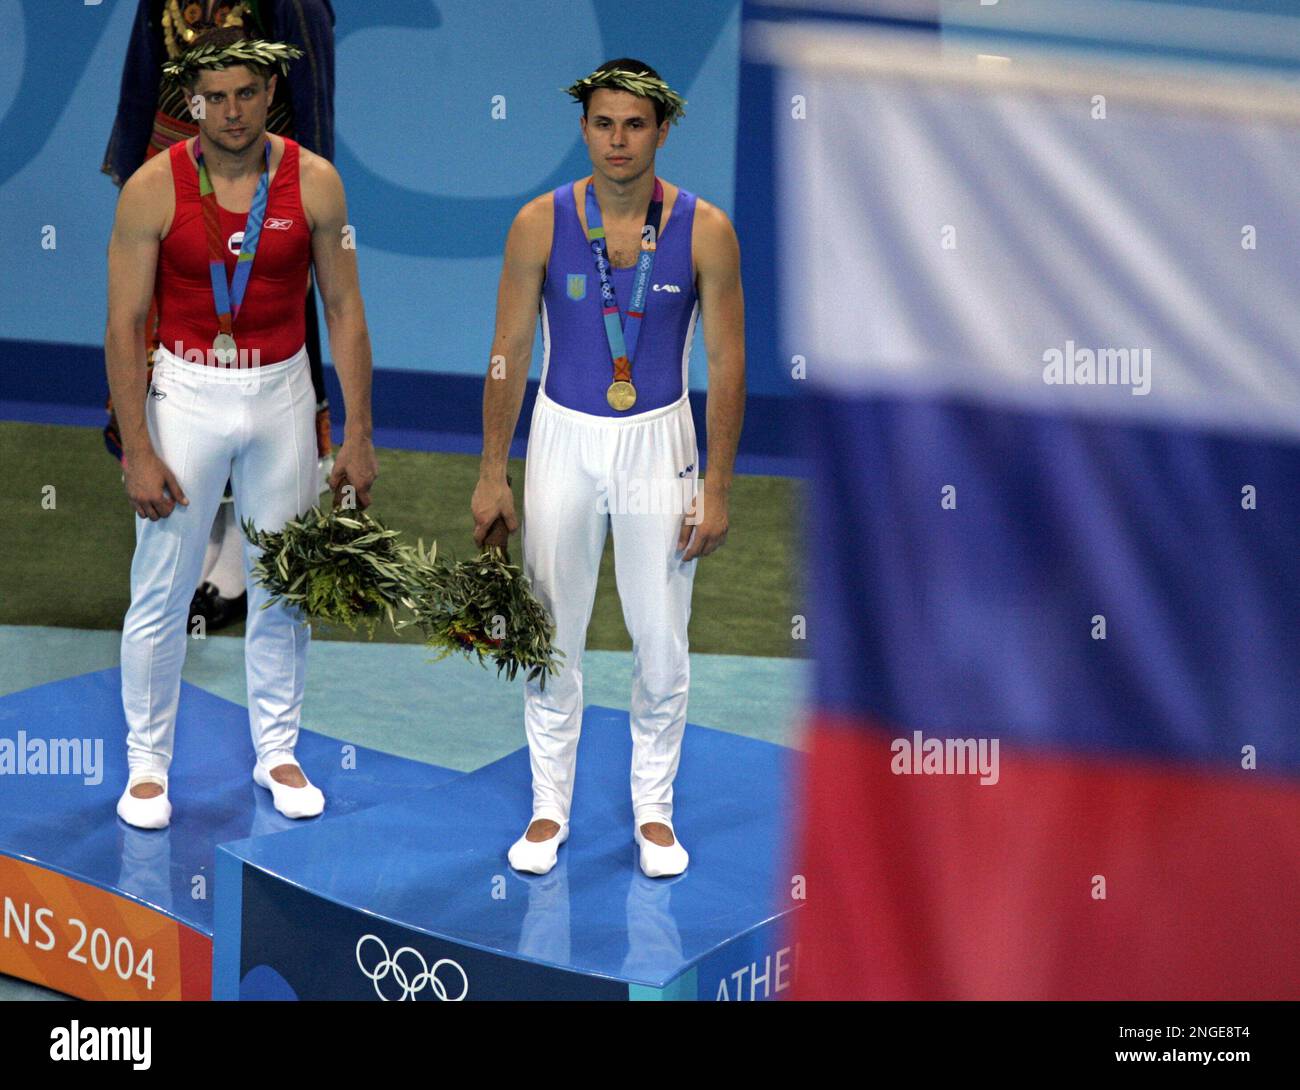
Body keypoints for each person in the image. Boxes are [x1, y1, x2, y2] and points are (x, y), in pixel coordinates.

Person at [471, 59, 746, 878]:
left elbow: (728, 364)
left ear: (663, 130)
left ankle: (654, 810)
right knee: (552, 627)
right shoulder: (538, 224)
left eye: (634, 124)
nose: (617, 140)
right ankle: (548, 805)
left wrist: (717, 488)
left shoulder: (706, 230)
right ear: (584, 128)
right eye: (602, 123)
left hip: (661, 445)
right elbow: (508, 352)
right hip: (563, 439)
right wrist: (492, 471)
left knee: (660, 636)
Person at [105, 30, 376, 829]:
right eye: (215, 97)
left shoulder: (316, 183)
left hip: (282, 396)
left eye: (246, 94)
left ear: (270, 94)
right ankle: (147, 767)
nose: (231, 112)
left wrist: (358, 433)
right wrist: (138, 448)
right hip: (185, 395)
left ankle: (278, 751)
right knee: (161, 590)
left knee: (283, 586)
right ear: (192, 102)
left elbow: (344, 308)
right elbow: (123, 325)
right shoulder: (150, 189)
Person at [102, 0, 338, 632]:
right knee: (161, 343)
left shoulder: (294, 4)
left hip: (267, 197)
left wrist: (304, 199)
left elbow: (313, 92)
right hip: (177, 181)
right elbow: (144, 65)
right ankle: (201, 536)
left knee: (270, 343)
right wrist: (134, 176)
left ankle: (236, 556)